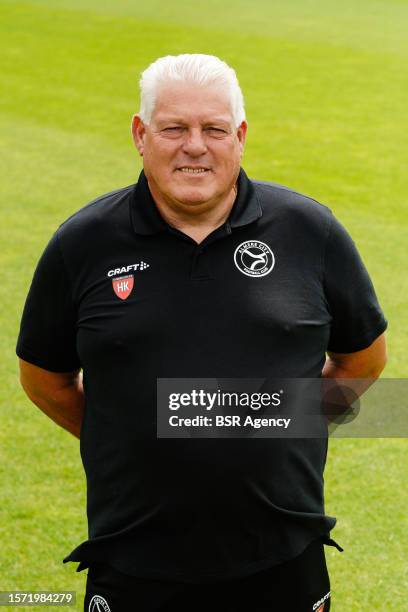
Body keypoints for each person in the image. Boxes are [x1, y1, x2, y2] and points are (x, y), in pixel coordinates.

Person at [17, 54, 387, 612]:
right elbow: (45, 378)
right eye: (174, 128)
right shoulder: (83, 243)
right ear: (141, 135)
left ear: (239, 136)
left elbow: (364, 360)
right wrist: (127, 436)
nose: (195, 146)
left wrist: (281, 426)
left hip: (283, 553)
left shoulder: (311, 231)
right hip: (133, 559)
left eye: (214, 129)